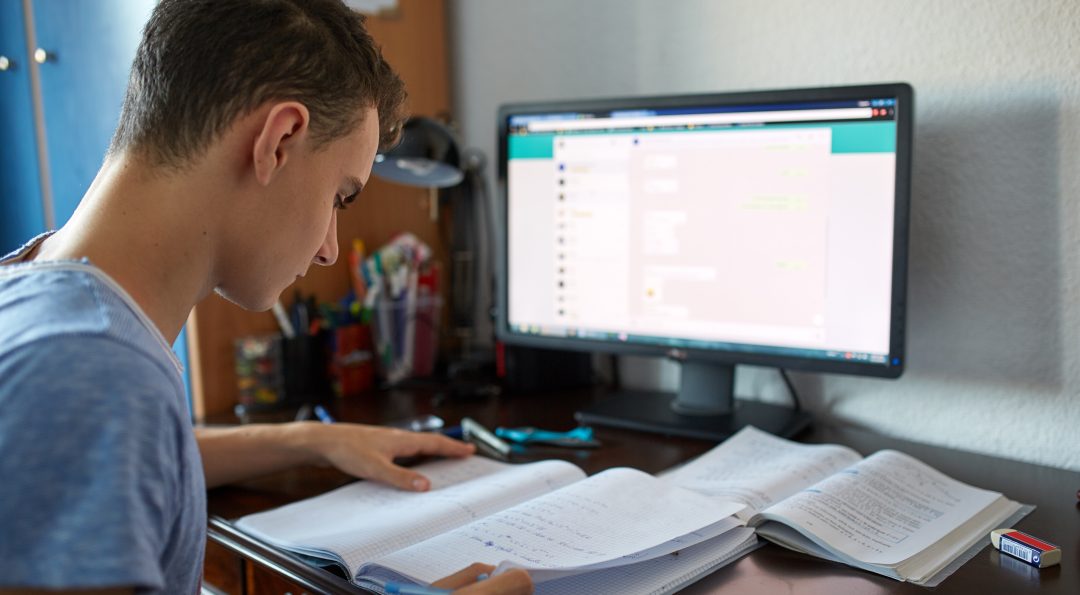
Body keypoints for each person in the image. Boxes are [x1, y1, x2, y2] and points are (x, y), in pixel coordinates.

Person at [0, 1, 532, 594]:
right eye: (340, 197)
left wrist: (310, 439)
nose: (330, 249)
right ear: (279, 140)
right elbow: (95, 422)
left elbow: (113, 460)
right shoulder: (90, 375)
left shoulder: (33, 285)